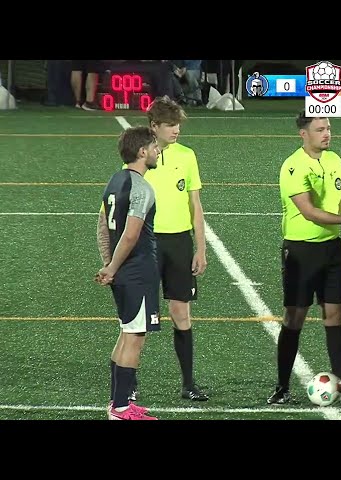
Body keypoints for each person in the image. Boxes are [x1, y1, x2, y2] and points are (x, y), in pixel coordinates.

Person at [267, 111, 341, 406]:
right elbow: (309, 211)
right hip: (300, 251)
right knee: (294, 317)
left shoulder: (335, 160)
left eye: (328, 128)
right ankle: (282, 386)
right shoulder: (292, 167)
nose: (327, 134)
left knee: (335, 316)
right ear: (304, 134)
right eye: (320, 129)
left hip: (331, 250)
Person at [128, 95, 209, 402]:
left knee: (181, 313)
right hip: (147, 243)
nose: (177, 130)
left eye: (178, 125)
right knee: (141, 319)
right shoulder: (142, 155)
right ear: (154, 126)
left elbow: (195, 204)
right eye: (170, 125)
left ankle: (188, 384)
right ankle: (130, 384)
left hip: (179, 243)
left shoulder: (187, 156)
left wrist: (200, 248)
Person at [96, 126, 160, 420]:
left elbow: (101, 225)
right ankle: (121, 408)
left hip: (122, 272)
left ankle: (117, 402)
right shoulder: (142, 187)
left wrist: (109, 264)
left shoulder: (114, 180)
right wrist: (112, 266)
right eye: (154, 147)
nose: (158, 152)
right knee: (135, 335)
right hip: (136, 271)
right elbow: (132, 234)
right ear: (142, 152)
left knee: (126, 333)